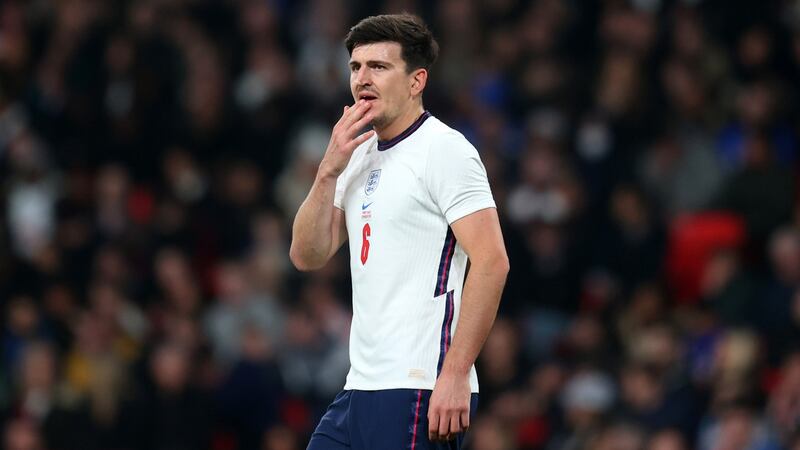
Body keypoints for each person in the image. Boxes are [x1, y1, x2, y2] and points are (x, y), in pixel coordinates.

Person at [290, 13, 509, 449]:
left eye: (379, 66)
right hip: (359, 385)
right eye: (355, 67)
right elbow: (307, 255)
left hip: (418, 383)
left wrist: (455, 374)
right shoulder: (355, 156)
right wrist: (327, 172)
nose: (362, 78)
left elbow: (492, 262)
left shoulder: (445, 150)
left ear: (416, 81)